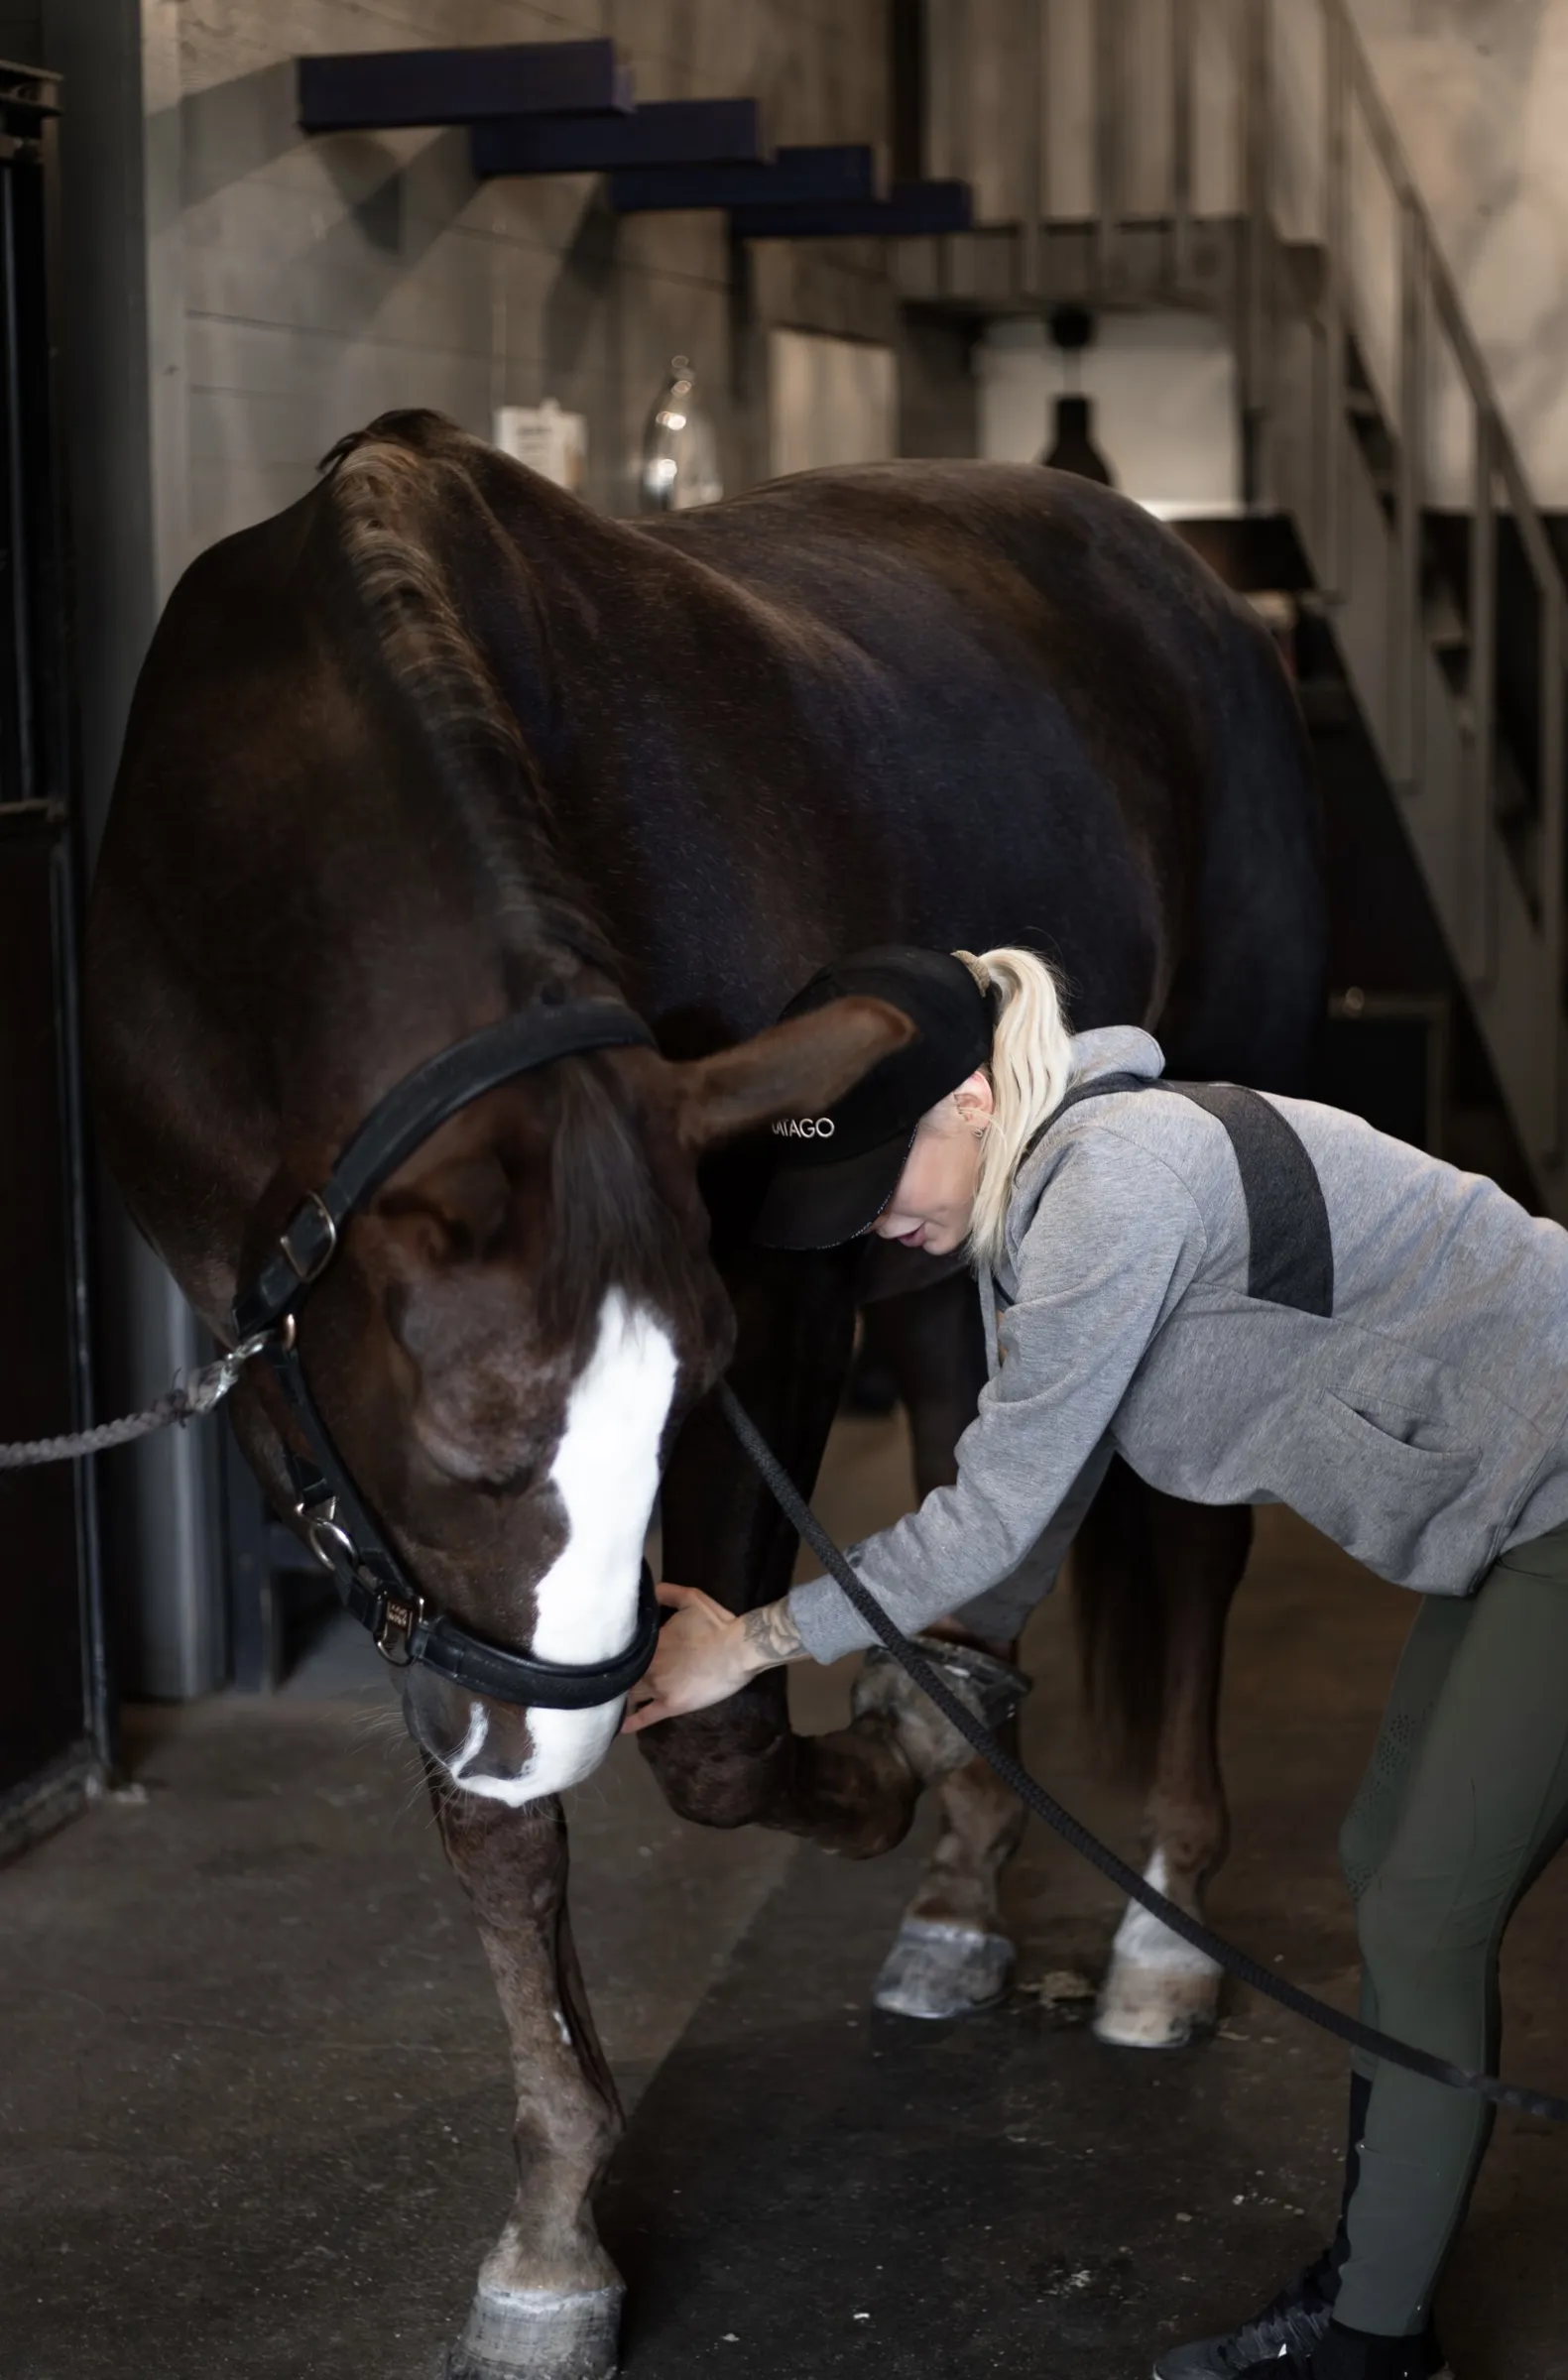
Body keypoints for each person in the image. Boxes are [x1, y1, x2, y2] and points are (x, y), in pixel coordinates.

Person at [624, 941, 1568, 2380]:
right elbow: (1037, 1497)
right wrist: (941, 1682)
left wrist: (748, 1645)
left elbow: (991, 1507)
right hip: (1512, 1522)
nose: (875, 1220)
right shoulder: (1048, 1206)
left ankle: (1379, 2343)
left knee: (1429, 1910)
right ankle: (1383, 2269)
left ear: (974, 1097)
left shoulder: (1119, 1186)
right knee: (1390, 1867)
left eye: (882, 1171)